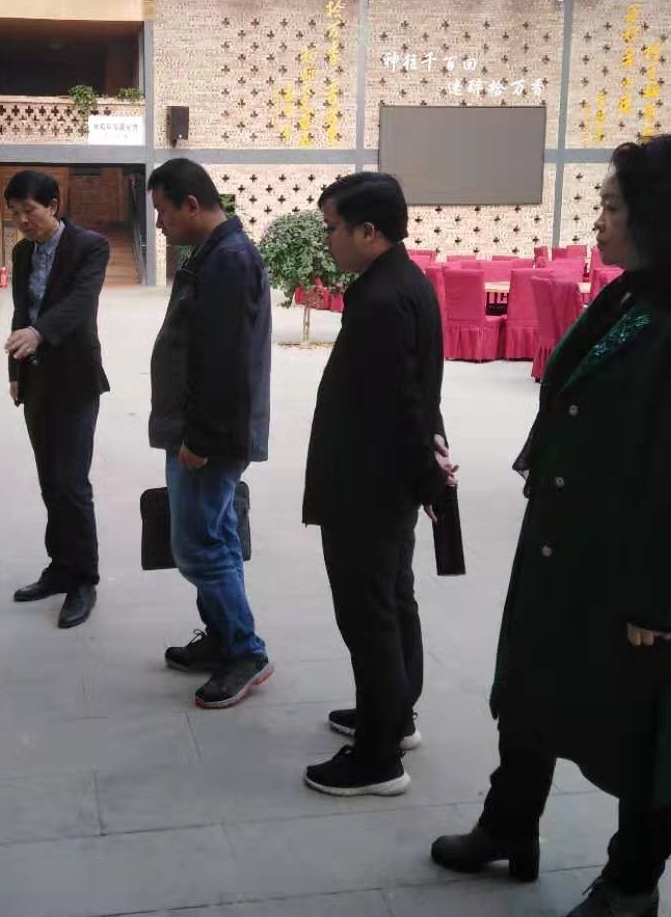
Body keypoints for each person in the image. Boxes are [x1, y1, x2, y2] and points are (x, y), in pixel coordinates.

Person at [431, 135, 671, 917]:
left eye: (612, 207)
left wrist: (656, 605)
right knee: (530, 692)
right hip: (568, 546)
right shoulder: (636, 296)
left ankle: (631, 885)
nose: (598, 221)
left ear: (662, 218)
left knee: (647, 734)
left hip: (635, 575)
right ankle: (509, 825)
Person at [301, 173, 457, 798]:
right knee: (393, 600)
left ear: (369, 231)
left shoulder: (382, 300)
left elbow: (404, 403)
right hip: (387, 482)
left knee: (369, 616)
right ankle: (393, 715)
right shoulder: (403, 280)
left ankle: (377, 758)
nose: (327, 239)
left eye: (332, 228)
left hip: (367, 486)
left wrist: (428, 474)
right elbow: (419, 391)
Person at [148, 157, 273, 709]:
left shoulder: (230, 260)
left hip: (209, 436)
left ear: (192, 204)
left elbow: (226, 363)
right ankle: (224, 638)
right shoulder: (214, 253)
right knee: (215, 536)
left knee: (197, 546)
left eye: (163, 212)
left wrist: (200, 438)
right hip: (200, 428)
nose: (159, 224)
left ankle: (246, 652)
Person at [4, 170, 110, 629]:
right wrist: (16, 372)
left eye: (29, 210)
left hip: (76, 380)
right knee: (50, 480)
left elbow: (81, 302)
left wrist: (40, 332)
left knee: (71, 482)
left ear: (52, 205)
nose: (22, 221)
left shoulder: (90, 246)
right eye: (14, 213)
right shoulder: (22, 252)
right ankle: (60, 567)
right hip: (36, 379)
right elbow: (21, 311)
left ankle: (84, 578)